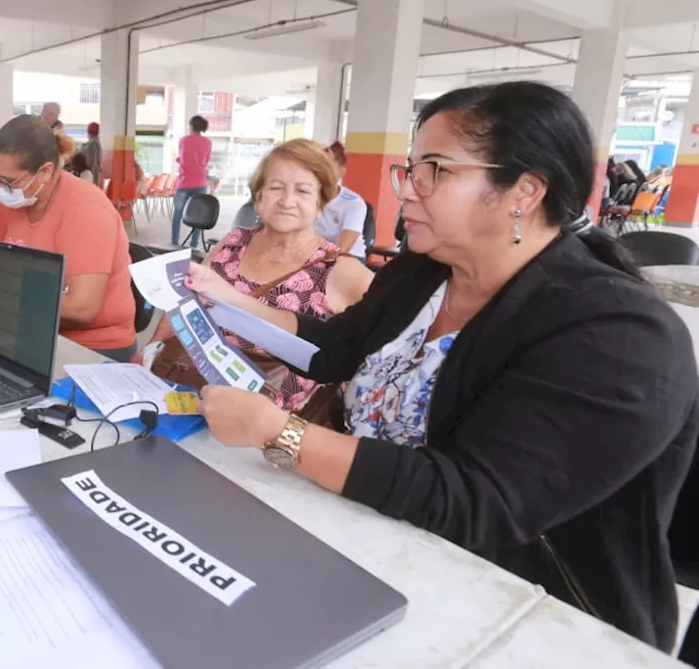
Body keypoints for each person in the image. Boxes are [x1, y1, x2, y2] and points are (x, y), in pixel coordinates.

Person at [190, 81, 699, 650]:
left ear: (523, 192)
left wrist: (280, 432)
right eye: (408, 168)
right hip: (375, 544)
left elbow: (477, 502)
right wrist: (229, 299)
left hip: (531, 616)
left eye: (434, 169)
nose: (407, 190)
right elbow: (333, 348)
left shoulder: (617, 336)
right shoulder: (425, 270)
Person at [146, 139, 372, 411]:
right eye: (276, 188)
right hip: (185, 389)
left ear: (320, 204)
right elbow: (184, 303)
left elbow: (381, 348)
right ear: (258, 198)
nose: (288, 201)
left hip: (263, 423)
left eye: (303, 191)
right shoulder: (234, 241)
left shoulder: (339, 269)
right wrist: (148, 352)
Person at [0, 116, 136, 359]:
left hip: (91, 346)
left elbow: (82, 307)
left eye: (8, 181)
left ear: (45, 171)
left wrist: (5, 291)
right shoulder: (12, 198)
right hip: (27, 331)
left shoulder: (85, 207)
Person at [314, 142, 368, 260]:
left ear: (342, 171)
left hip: (349, 257)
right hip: (314, 255)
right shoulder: (308, 197)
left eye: (328, 168)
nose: (322, 174)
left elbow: (341, 249)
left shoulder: (354, 203)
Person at [171, 115, 214, 248]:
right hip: (200, 182)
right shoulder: (208, 142)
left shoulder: (183, 141)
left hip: (184, 182)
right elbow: (205, 161)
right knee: (197, 216)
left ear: (191, 126)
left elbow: (183, 159)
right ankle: (194, 244)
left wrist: (181, 162)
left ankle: (174, 242)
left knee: (178, 213)